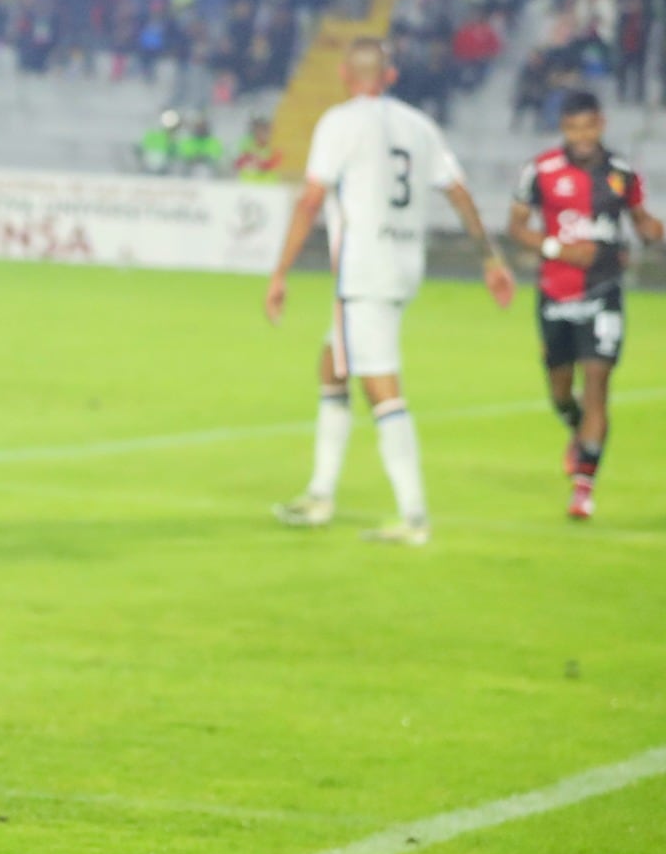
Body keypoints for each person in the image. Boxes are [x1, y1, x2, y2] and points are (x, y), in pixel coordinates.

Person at [265, 39, 515, 544]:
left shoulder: (340, 122)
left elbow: (312, 198)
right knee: (333, 364)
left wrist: (280, 272)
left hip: (365, 269)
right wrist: (490, 257)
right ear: (391, 75)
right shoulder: (418, 125)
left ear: (343, 75)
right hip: (404, 264)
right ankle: (320, 493)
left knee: (380, 386)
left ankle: (414, 516)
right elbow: (459, 191)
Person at [508, 90, 662, 520]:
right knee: (560, 393)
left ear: (601, 124)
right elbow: (516, 226)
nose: (581, 136)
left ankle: (583, 490)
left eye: (588, 127)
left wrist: (651, 229)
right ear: (564, 128)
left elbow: (639, 219)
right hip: (555, 294)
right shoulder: (540, 171)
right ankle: (577, 432)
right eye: (573, 128)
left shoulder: (621, 173)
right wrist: (558, 247)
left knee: (596, 385)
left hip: (603, 291)